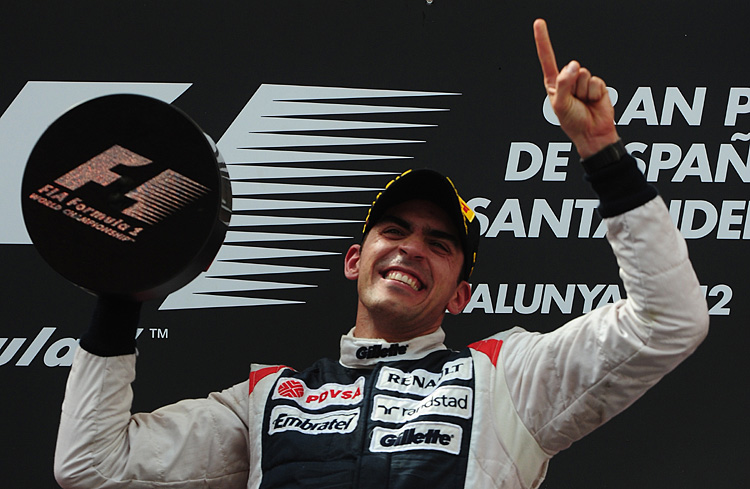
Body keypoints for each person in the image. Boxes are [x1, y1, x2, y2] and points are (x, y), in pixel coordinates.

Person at [54, 19, 709, 489]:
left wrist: (603, 153)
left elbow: (670, 321)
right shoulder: (268, 398)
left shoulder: (509, 378)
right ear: (353, 259)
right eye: (394, 230)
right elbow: (93, 464)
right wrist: (122, 288)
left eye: (439, 242)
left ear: (459, 295)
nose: (412, 248)